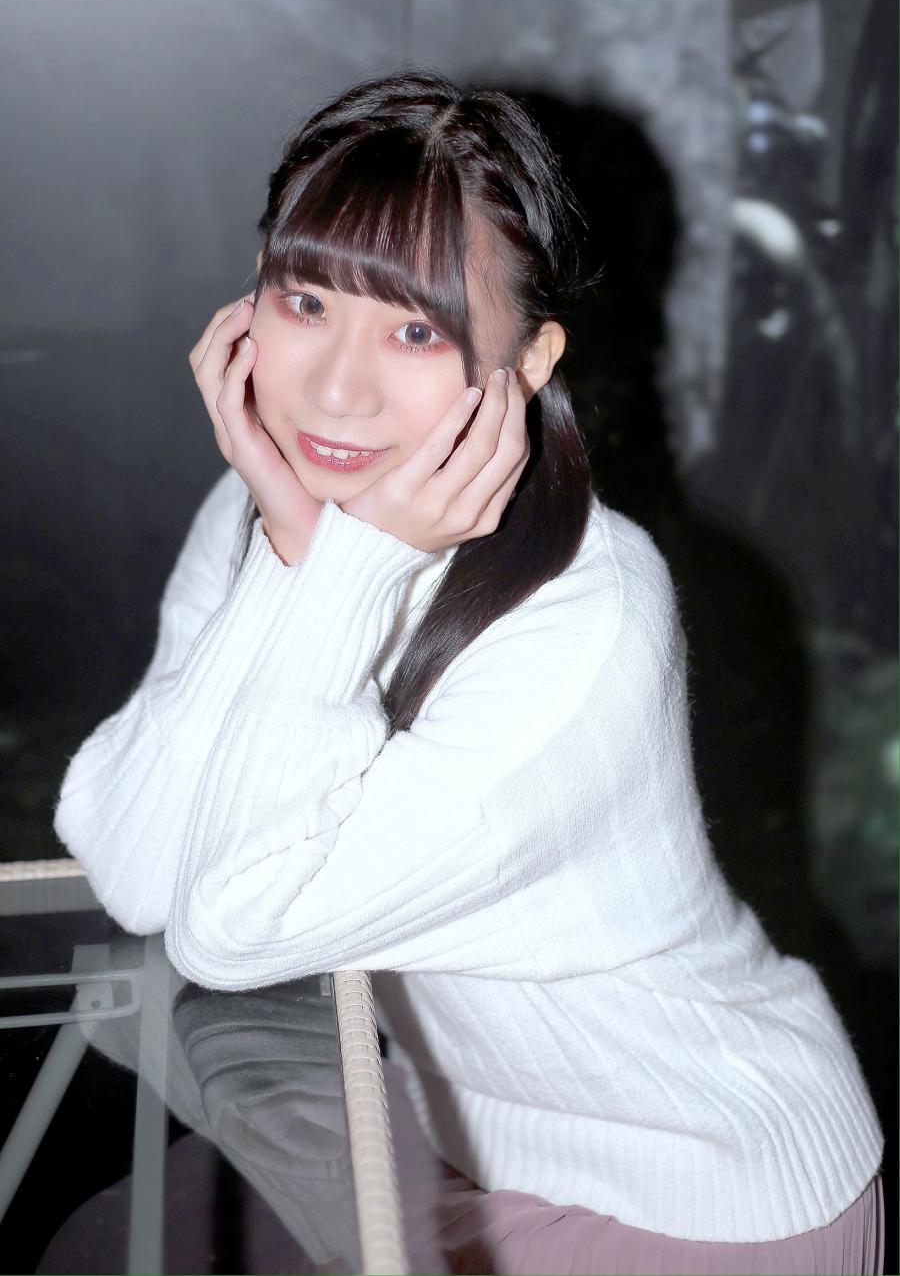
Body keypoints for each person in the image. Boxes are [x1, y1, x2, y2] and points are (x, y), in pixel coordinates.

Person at [53, 69, 884, 1275]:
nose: (337, 387)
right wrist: (293, 551)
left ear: (528, 361)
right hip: (460, 1132)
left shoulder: (583, 615)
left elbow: (233, 935)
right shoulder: (263, 514)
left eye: (414, 330)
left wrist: (336, 568)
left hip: (704, 1180)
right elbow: (136, 873)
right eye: (304, 302)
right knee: (96, 1248)